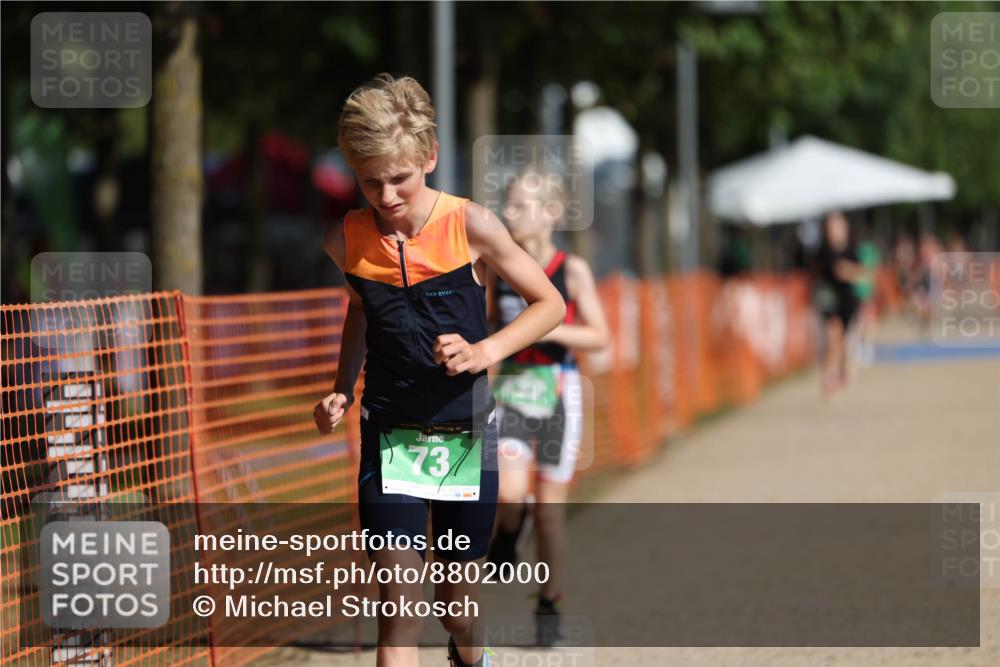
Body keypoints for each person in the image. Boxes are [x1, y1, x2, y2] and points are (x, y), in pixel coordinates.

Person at [313, 74, 566, 667]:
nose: (387, 194)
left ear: (429, 157)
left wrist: (484, 352)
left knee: (456, 604)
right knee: (399, 598)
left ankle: (469, 657)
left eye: (398, 177)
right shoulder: (345, 240)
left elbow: (549, 303)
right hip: (390, 431)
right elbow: (359, 309)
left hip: (463, 431)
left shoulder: (470, 225)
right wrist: (341, 389)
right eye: (370, 181)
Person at [485, 167, 610, 646]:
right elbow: (494, 324)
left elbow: (599, 335)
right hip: (514, 390)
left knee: (550, 512)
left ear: (552, 213)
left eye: (520, 205)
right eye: (508, 204)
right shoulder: (500, 267)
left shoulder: (570, 269)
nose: (510, 213)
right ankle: (506, 536)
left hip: (559, 392)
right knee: (510, 492)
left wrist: (547, 324)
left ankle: (549, 601)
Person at [813, 212, 863, 396]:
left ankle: (843, 372)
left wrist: (849, 271)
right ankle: (828, 376)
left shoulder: (851, 249)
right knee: (833, 335)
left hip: (847, 300)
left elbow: (858, 272)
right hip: (830, 299)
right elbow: (838, 271)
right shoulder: (825, 251)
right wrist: (849, 271)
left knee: (843, 341)